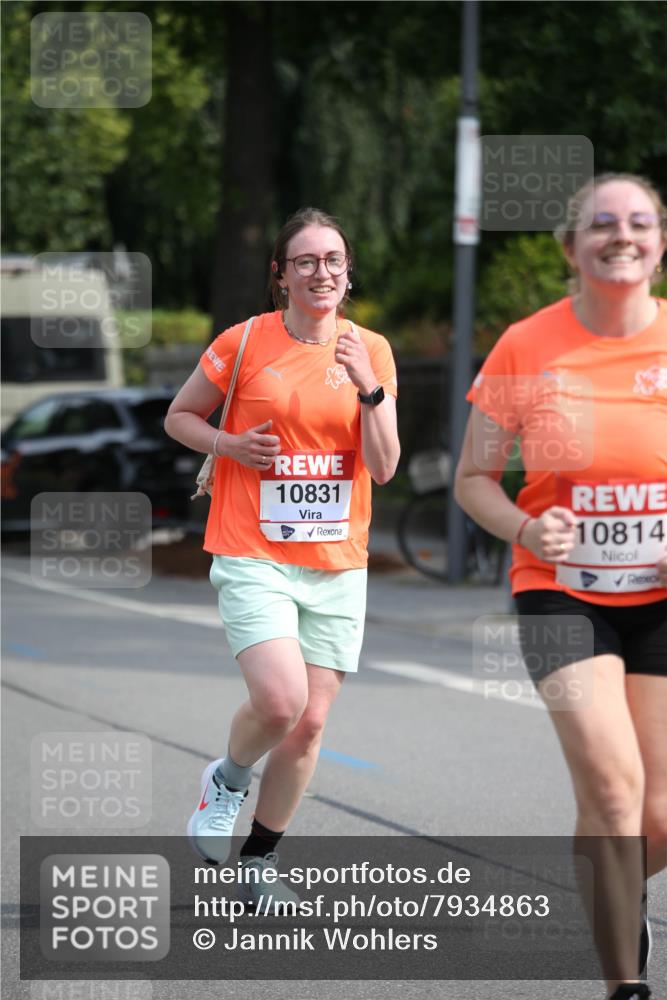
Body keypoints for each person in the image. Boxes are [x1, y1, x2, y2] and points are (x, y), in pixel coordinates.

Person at [455, 173, 666, 1000]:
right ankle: (624, 985)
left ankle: (615, 895)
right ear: (570, 246)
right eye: (602, 224)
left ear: (660, 240)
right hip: (558, 591)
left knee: (654, 818)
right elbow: (475, 478)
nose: (622, 235)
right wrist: (523, 527)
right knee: (611, 790)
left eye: (639, 222)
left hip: (659, 596)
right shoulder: (526, 345)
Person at [165, 207, 400, 908]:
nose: (320, 272)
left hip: (336, 559)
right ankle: (228, 778)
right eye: (304, 261)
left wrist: (369, 387)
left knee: (310, 723)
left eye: (332, 259)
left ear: (347, 271)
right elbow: (180, 417)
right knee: (279, 699)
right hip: (251, 548)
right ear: (280, 275)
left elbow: (383, 467)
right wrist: (229, 446)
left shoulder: (371, 349)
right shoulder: (243, 343)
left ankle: (259, 862)